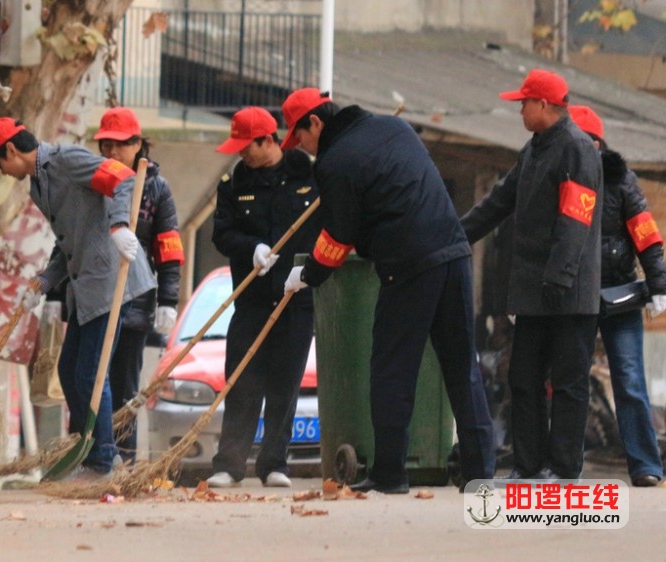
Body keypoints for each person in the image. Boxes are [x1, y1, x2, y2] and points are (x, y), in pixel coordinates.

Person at [281, 88, 495, 493]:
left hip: (408, 266)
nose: (303, 149)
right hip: (453, 253)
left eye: (301, 138)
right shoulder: (394, 127)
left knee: (391, 370)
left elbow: (339, 235)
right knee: (462, 368)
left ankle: (389, 474)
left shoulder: (335, 162)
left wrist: (309, 274)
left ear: (316, 122)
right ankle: (481, 473)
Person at [0, 117, 156, 478]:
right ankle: (92, 450)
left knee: (91, 374)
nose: (0, 170)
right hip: (85, 286)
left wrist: (120, 225)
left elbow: (123, 179)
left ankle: (102, 461)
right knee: (68, 369)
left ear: (11, 149)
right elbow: (67, 243)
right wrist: (45, 281)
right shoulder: (37, 186)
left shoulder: (67, 160)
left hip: (110, 279)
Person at [460, 70, 602, 481]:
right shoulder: (535, 149)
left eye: (523, 102)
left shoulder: (576, 149)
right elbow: (499, 201)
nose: (519, 109)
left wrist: (559, 278)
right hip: (535, 292)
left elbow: (576, 220)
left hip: (567, 292)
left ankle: (563, 467)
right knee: (523, 378)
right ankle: (528, 464)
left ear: (543, 105)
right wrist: (455, 234)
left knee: (569, 383)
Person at [204, 106, 321, 489]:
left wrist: (309, 271)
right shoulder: (234, 183)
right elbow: (221, 234)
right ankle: (230, 464)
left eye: (246, 146)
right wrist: (251, 246)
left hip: (296, 298)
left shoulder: (309, 175)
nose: (242, 154)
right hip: (252, 301)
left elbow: (327, 229)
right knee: (242, 380)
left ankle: (275, 463)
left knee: (285, 382)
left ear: (268, 140)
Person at [570, 105, 665, 487]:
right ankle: (565, 465)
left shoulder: (623, 181)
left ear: (596, 142)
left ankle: (645, 465)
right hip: (575, 298)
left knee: (629, 381)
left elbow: (646, 236)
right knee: (571, 381)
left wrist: (659, 284)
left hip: (621, 295)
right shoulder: (560, 180)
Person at [93, 107, 183, 462]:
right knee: (89, 382)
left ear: (137, 145)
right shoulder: (93, 181)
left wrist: (168, 301)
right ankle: (92, 455)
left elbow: (169, 248)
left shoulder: (156, 189)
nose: (111, 152)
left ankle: (125, 458)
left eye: (119, 144)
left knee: (125, 386)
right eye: (105, 145)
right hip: (95, 299)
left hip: (135, 304)